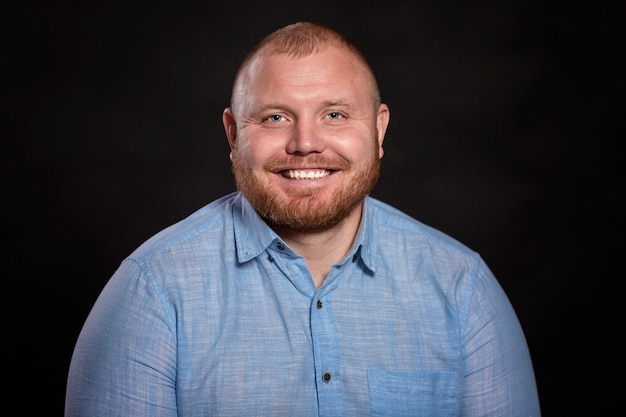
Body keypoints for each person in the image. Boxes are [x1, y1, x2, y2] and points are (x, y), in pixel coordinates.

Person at [65, 21, 541, 416]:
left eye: (334, 114)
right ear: (232, 134)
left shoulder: (464, 291)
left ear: (379, 130)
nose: (306, 143)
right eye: (274, 118)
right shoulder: (150, 294)